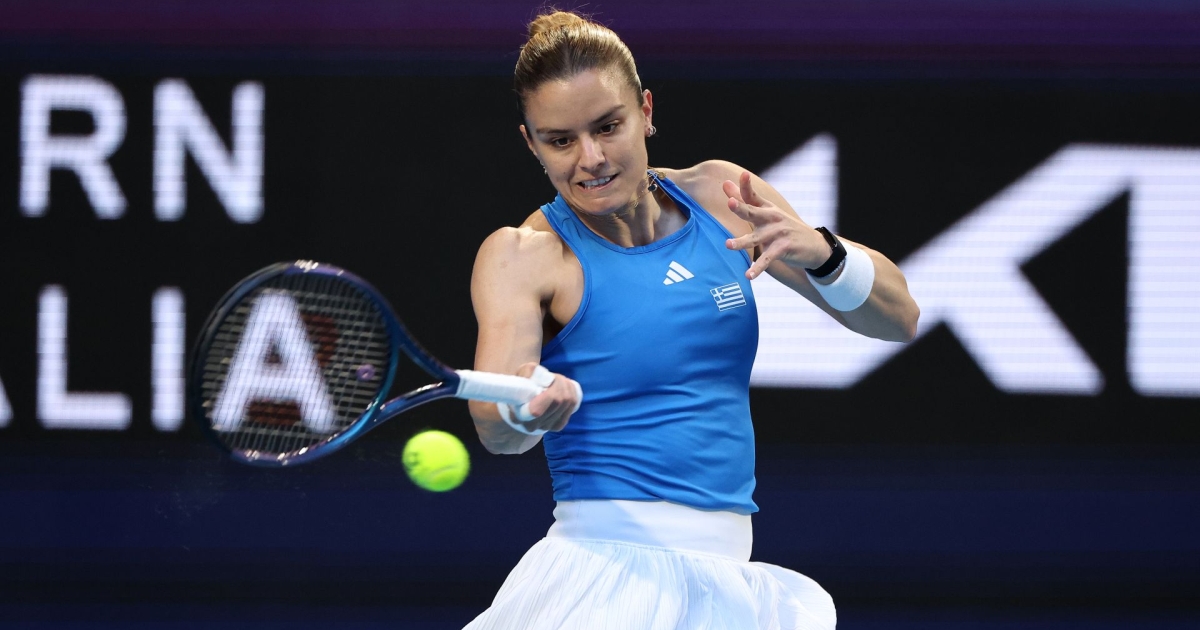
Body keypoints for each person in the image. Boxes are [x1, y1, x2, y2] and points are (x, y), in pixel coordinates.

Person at [464, 10, 919, 630]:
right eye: (560, 140)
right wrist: (528, 406)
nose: (591, 158)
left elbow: (899, 319)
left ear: (646, 110)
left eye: (608, 127)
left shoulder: (722, 196)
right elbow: (495, 428)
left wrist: (822, 251)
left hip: (725, 577)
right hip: (603, 583)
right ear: (531, 143)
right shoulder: (523, 255)